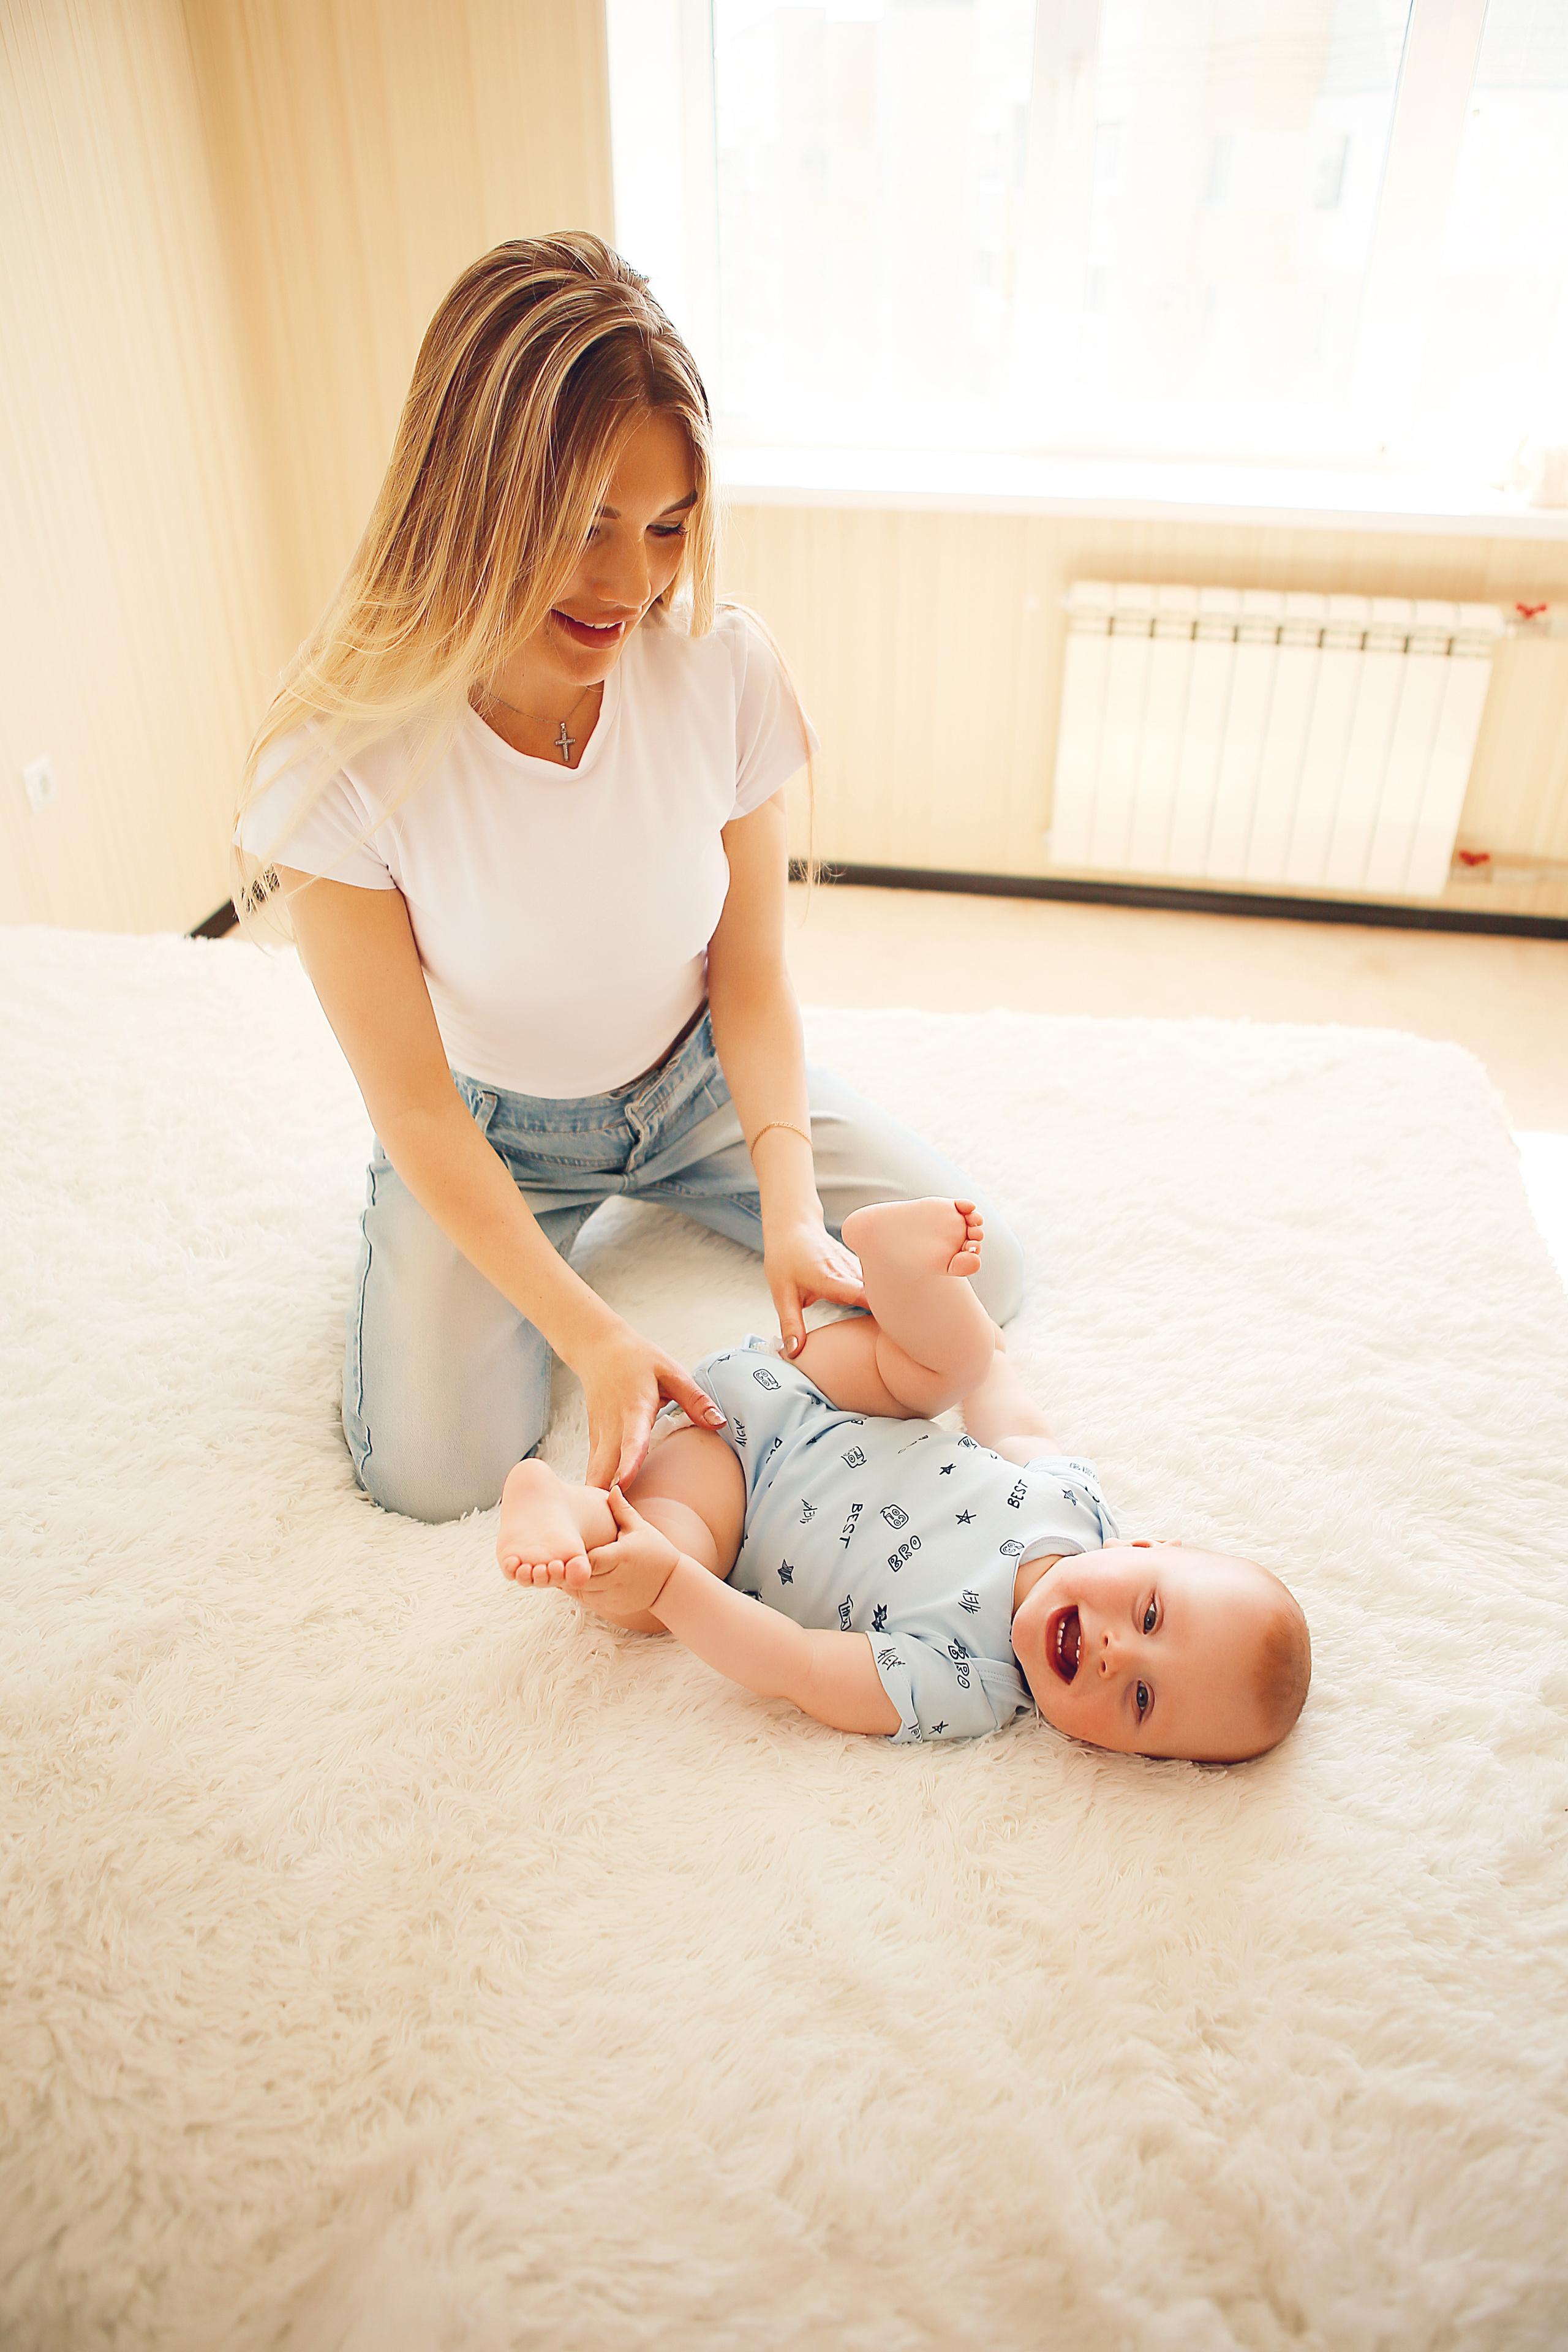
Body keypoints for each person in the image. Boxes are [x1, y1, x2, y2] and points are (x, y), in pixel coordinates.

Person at [233, 235, 1022, 1523]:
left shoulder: (719, 667)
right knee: (431, 1479)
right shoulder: (340, 757)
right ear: (470, 499)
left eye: (665, 528)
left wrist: (787, 1204)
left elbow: (752, 978)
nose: (629, 584)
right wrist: (593, 1334)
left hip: (703, 1080)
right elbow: (417, 1109)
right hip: (491, 1128)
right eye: (584, 528)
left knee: (978, 1283)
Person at [497, 1198, 1312, 1761]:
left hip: (728, 1501)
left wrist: (675, 1586)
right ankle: (902, 1265)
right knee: (952, 1367)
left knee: (651, 1579)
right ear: (1146, 1546)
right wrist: (966, 1334)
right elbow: (1011, 1414)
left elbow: (800, 1666)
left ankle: (558, 1502)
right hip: (817, 1393)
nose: (1114, 1652)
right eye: (1150, 1611)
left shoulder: (970, 1684)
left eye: (1140, 1700)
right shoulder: (1075, 1508)